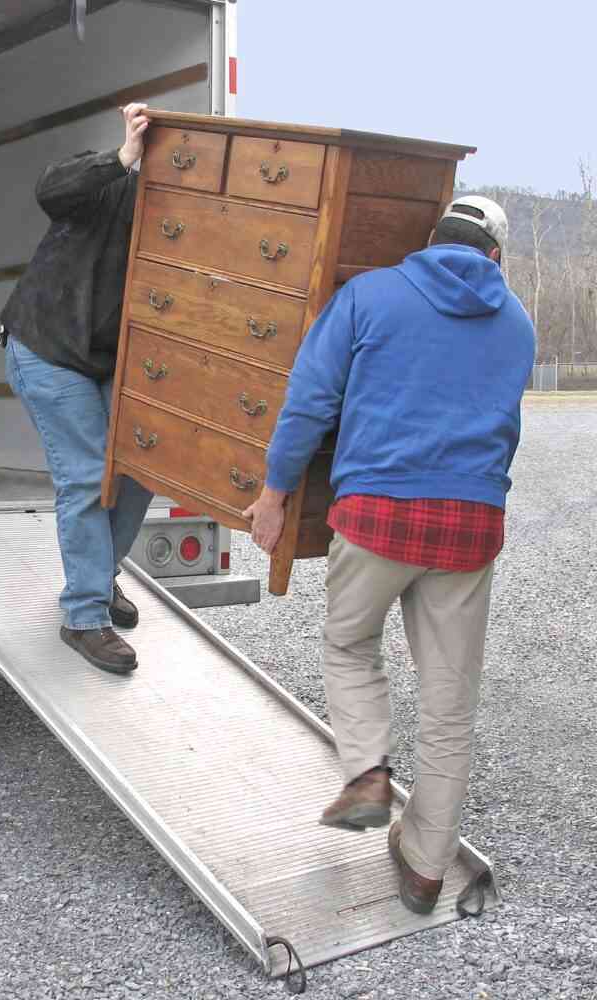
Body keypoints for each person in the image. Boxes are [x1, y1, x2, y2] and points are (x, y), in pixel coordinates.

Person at [243, 195, 535, 914]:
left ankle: (368, 773)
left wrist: (277, 495)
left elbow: (310, 400)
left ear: (431, 241)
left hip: (375, 514)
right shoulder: (519, 322)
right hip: (469, 526)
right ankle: (427, 867)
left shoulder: (369, 294)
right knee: (449, 701)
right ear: (494, 258)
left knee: (348, 645)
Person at [0, 103, 155, 676]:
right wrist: (122, 157)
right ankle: (85, 616)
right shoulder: (105, 185)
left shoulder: (190, 224)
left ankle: (98, 575)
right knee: (89, 474)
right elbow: (50, 189)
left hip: (105, 358)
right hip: (47, 347)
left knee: (140, 465)